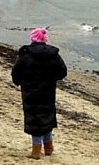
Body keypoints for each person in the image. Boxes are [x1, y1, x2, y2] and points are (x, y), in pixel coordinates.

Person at [11, 28, 67, 159]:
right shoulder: (54, 55)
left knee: (34, 118)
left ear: (32, 39)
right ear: (44, 39)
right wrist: (51, 78)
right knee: (47, 117)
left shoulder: (25, 55)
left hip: (30, 92)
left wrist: (19, 82)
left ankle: (36, 151)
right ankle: (48, 147)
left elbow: (16, 74)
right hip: (48, 91)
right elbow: (62, 72)